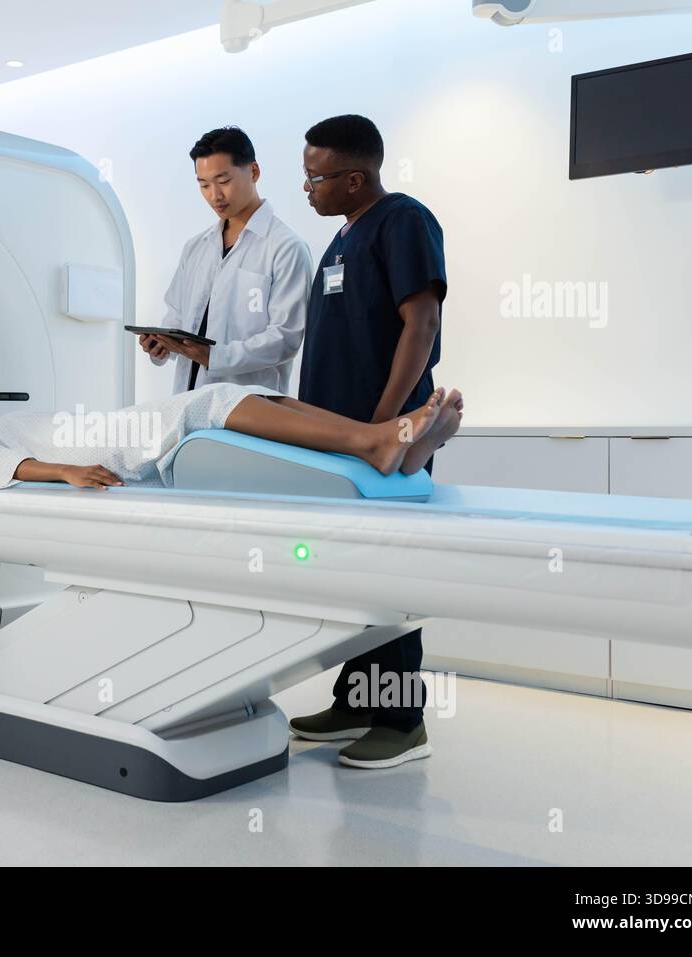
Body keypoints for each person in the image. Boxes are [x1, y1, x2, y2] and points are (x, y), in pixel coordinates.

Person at [291, 114, 449, 770]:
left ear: (355, 179)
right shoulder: (341, 240)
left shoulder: (403, 220)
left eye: (316, 177)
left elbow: (423, 320)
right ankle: (357, 700)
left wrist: (385, 423)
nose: (309, 189)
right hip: (341, 439)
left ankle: (402, 719)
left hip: (385, 437)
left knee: (389, 573)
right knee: (351, 575)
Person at [0, 382, 461, 492]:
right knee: (206, 402)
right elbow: (3, 470)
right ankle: (375, 442)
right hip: (101, 443)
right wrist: (65, 471)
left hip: (107, 426)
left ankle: (378, 439)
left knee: (236, 390)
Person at [138, 127, 312, 394]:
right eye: (204, 184)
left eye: (223, 181)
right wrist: (161, 343)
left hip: (251, 407)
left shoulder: (286, 247)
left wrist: (213, 356)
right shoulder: (196, 248)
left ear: (253, 172)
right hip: (189, 402)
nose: (214, 195)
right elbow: (177, 315)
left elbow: (285, 338)